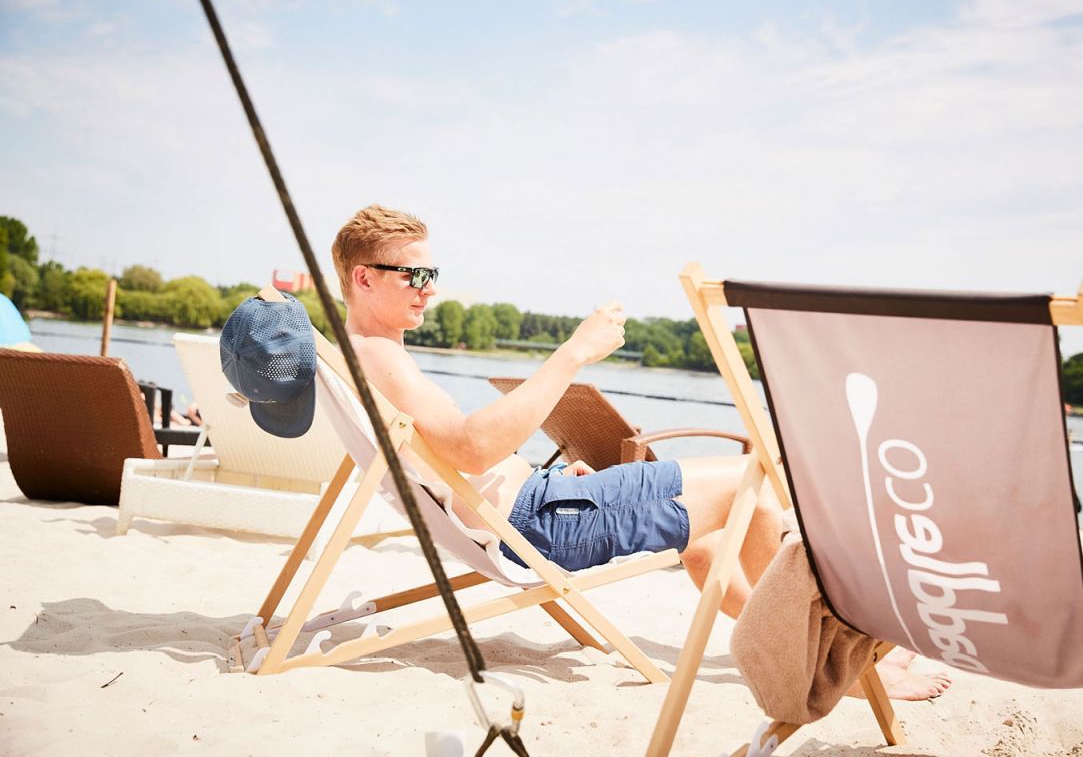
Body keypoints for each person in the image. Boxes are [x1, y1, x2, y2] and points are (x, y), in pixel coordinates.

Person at [330, 205, 952, 700]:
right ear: (364, 278)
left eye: (432, 275)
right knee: (752, 483)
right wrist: (572, 352)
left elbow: (460, 463)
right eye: (415, 275)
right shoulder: (380, 360)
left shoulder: (370, 357)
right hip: (539, 527)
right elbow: (471, 448)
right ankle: (842, 664)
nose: (429, 290)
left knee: (715, 532)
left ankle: (807, 649)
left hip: (545, 504)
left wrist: (521, 473)